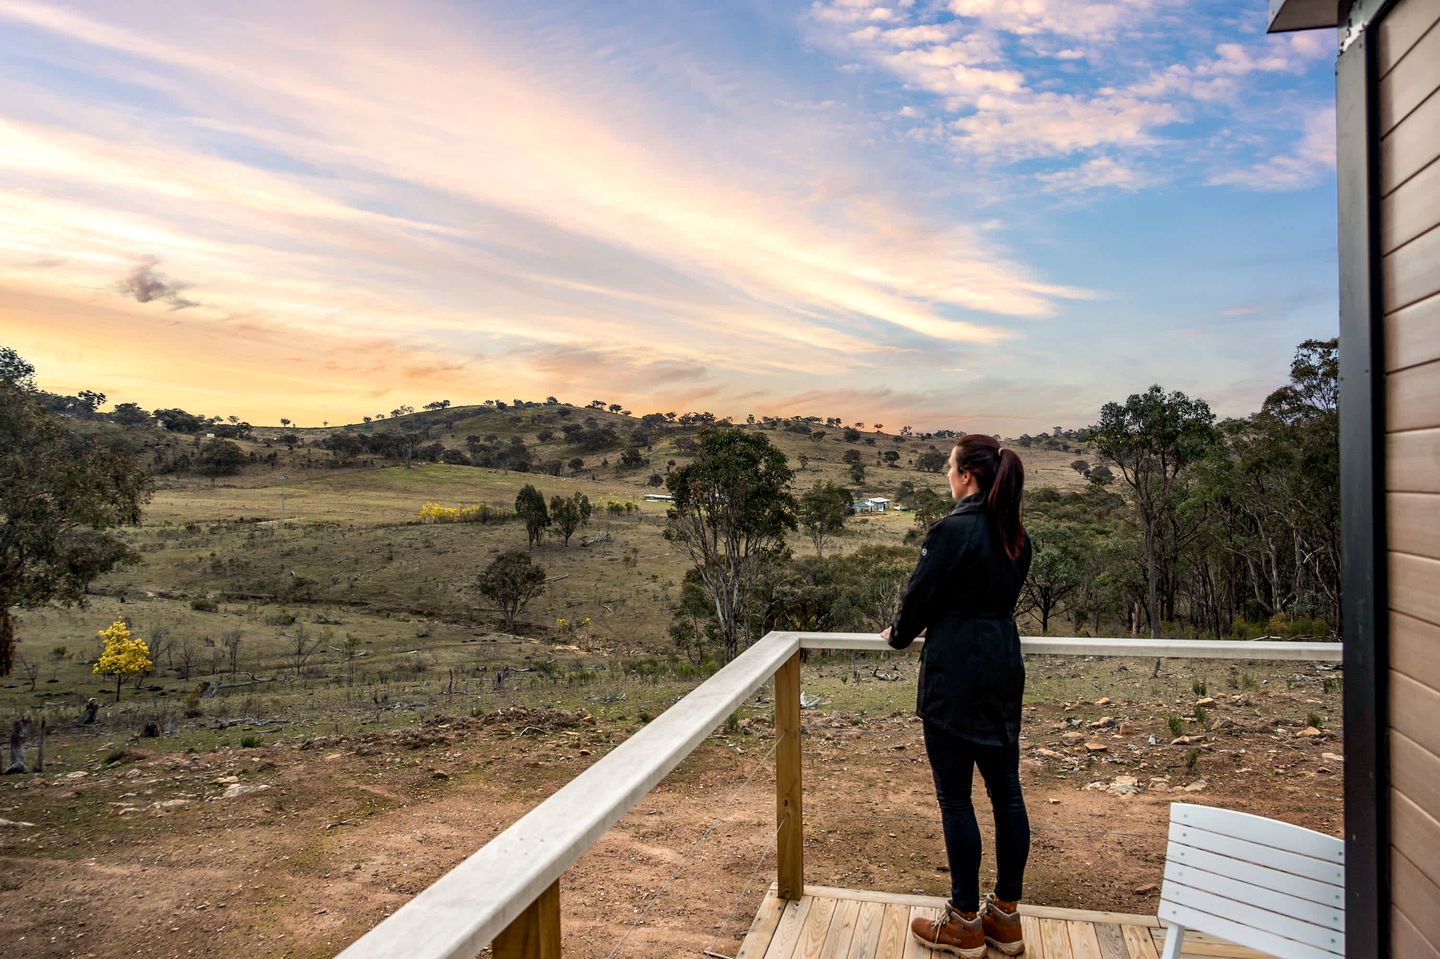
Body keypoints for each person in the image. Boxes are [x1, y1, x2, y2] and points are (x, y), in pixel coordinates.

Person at [881, 433, 1032, 957]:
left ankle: (964, 920)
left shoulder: (952, 531)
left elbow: (921, 595)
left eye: (950, 468)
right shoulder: (1016, 533)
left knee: (955, 797)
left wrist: (897, 635)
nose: (947, 476)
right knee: (1006, 793)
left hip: (954, 674)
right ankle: (1006, 918)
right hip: (1001, 666)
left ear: (967, 476)